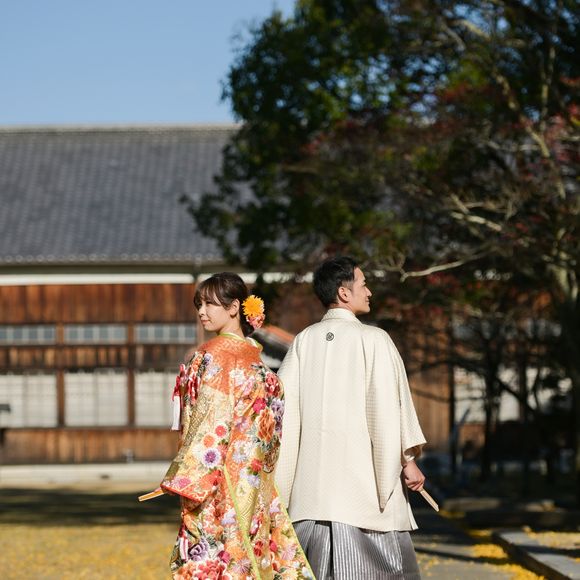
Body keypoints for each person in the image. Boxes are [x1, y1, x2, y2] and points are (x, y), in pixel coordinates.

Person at [142, 272, 313, 579]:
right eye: (199, 304)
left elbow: (209, 423)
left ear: (234, 307)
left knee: (223, 559)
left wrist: (184, 476)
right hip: (257, 479)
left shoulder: (213, 355)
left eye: (209, 304)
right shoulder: (258, 361)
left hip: (222, 481)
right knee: (253, 556)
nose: (201, 312)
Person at [276, 257, 427, 580]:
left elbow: (282, 411)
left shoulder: (303, 340)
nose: (369, 292)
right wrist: (407, 460)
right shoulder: (374, 339)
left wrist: (281, 483)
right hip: (362, 489)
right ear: (344, 293)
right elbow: (389, 407)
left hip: (311, 493)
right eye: (363, 284)